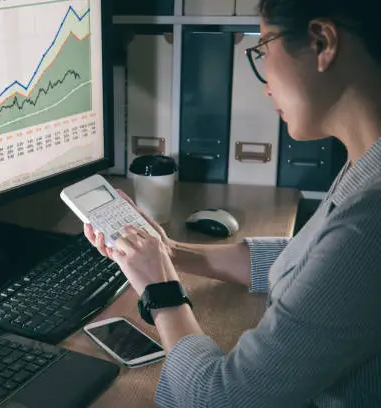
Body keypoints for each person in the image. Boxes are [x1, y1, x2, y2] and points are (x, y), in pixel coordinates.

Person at [84, 0, 381, 406]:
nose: (265, 84)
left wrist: (162, 291)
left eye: (264, 49)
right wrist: (171, 252)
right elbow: (316, 260)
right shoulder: (365, 167)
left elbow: (222, 399)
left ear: (321, 41)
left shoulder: (371, 217)